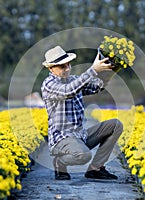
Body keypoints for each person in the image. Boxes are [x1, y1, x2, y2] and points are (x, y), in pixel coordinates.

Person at [41, 46, 123, 180]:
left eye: (68, 64)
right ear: (51, 68)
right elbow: (68, 91)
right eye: (62, 66)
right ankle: (60, 163)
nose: (67, 68)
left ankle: (96, 169)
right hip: (61, 139)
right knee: (83, 155)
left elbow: (97, 86)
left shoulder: (74, 79)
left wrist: (112, 68)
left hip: (80, 136)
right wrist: (93, 70)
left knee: (115, 125)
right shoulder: (48, 84)